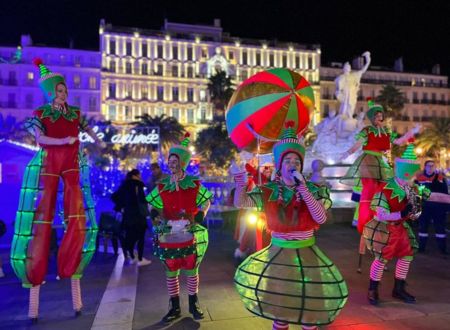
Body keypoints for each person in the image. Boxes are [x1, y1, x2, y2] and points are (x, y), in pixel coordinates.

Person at [10, 58, 103, 322]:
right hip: (49, 164)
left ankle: (73, 275)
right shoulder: (39, 114)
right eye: (60, 91)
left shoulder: (74, 113)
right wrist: (63, 139)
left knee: (77, 217)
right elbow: (39, 138)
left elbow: (89, 128)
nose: (64, 94)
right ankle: (34, 295)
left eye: (65, 91)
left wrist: (97, 140)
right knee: (41, 218)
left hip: (72, 165)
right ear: (51, 93)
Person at [232, 121, 348, 330]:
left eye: (297, 160)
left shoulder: (313, 189)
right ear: (279, 164)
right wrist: (241, 182)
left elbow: (321, 218)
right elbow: (241, 202)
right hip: (278, 255)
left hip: (307, 254)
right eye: (288, 160)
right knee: (281, 311)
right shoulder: (268, 191)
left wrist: (302, 188)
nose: (293, 163)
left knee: (309, 312)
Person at [362, 144, 450, 305]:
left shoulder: (413, 187)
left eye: (410, 176)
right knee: (381, 259)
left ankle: (399, 288)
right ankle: (372, 289)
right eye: (405, 175)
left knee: (406, 256)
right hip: (384, 228)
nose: (408, 180)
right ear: (399, 171)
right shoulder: (385, 189)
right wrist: (402, 213)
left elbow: (429, 196)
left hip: (400, 228)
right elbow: (380, 213)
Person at [146, 133, 213, 322]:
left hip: (189, 234)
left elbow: (206, 201)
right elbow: (151, 204)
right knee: (171, 271)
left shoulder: (193, 184)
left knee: (192, 270)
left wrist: (200, 215)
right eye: (170, 160)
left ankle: (194, 304)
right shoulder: (162, 185)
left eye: (175, 160)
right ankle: (174, 306)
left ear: (182, 163)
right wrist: (154, 214)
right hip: (168, 235)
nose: (171, 163)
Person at [340, 98, 421, 234]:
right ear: (372, 118)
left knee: (382, 188)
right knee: (369, 187)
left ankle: (378, 215)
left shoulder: (386, 132)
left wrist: (412, 132)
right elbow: (358, 144)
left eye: (381, 116)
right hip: (368, 160)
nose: (380, 118)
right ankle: (364, 218)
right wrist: (347, 153)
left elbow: (399, 141)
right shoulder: (367, 130)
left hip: (380, 161)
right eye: (377, 116)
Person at [113, 169, 152, 266]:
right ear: (135, 175)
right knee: (141, 237)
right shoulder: (137, 185)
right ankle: (139, 259)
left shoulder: (125, 185)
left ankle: (132, 256)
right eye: (139, 175)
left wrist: (121, 207)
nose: (140, 176)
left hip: (128, 215)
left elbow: (114, 196)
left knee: (131, 236)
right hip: (138, 215)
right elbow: (142, 200)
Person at [415, 160, 449, 254]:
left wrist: (446, 208)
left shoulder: (440, 177)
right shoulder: (419, 178)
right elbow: (415, 192)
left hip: (438, 208)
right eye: (428, 166)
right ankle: (421, 248)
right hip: (424, 207)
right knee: (423, 228)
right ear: (425, 167)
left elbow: (445, 193)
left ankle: (442, 249)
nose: (430, 167)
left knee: (440, 228)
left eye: (432, 166)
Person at [334, 51, 371, 119]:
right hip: (345, 94)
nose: (348, 68)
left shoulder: (353, 75)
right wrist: (338, 93)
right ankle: (345, 118)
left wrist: (368, 60)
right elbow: (338, 87)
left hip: (352, 94)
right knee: (344, 107)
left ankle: (348, 118)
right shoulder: (341, 77)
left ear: (350, 69)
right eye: (346, 67)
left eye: (349, 67)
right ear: (344, 69)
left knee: (350, 107)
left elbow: (363, 71)